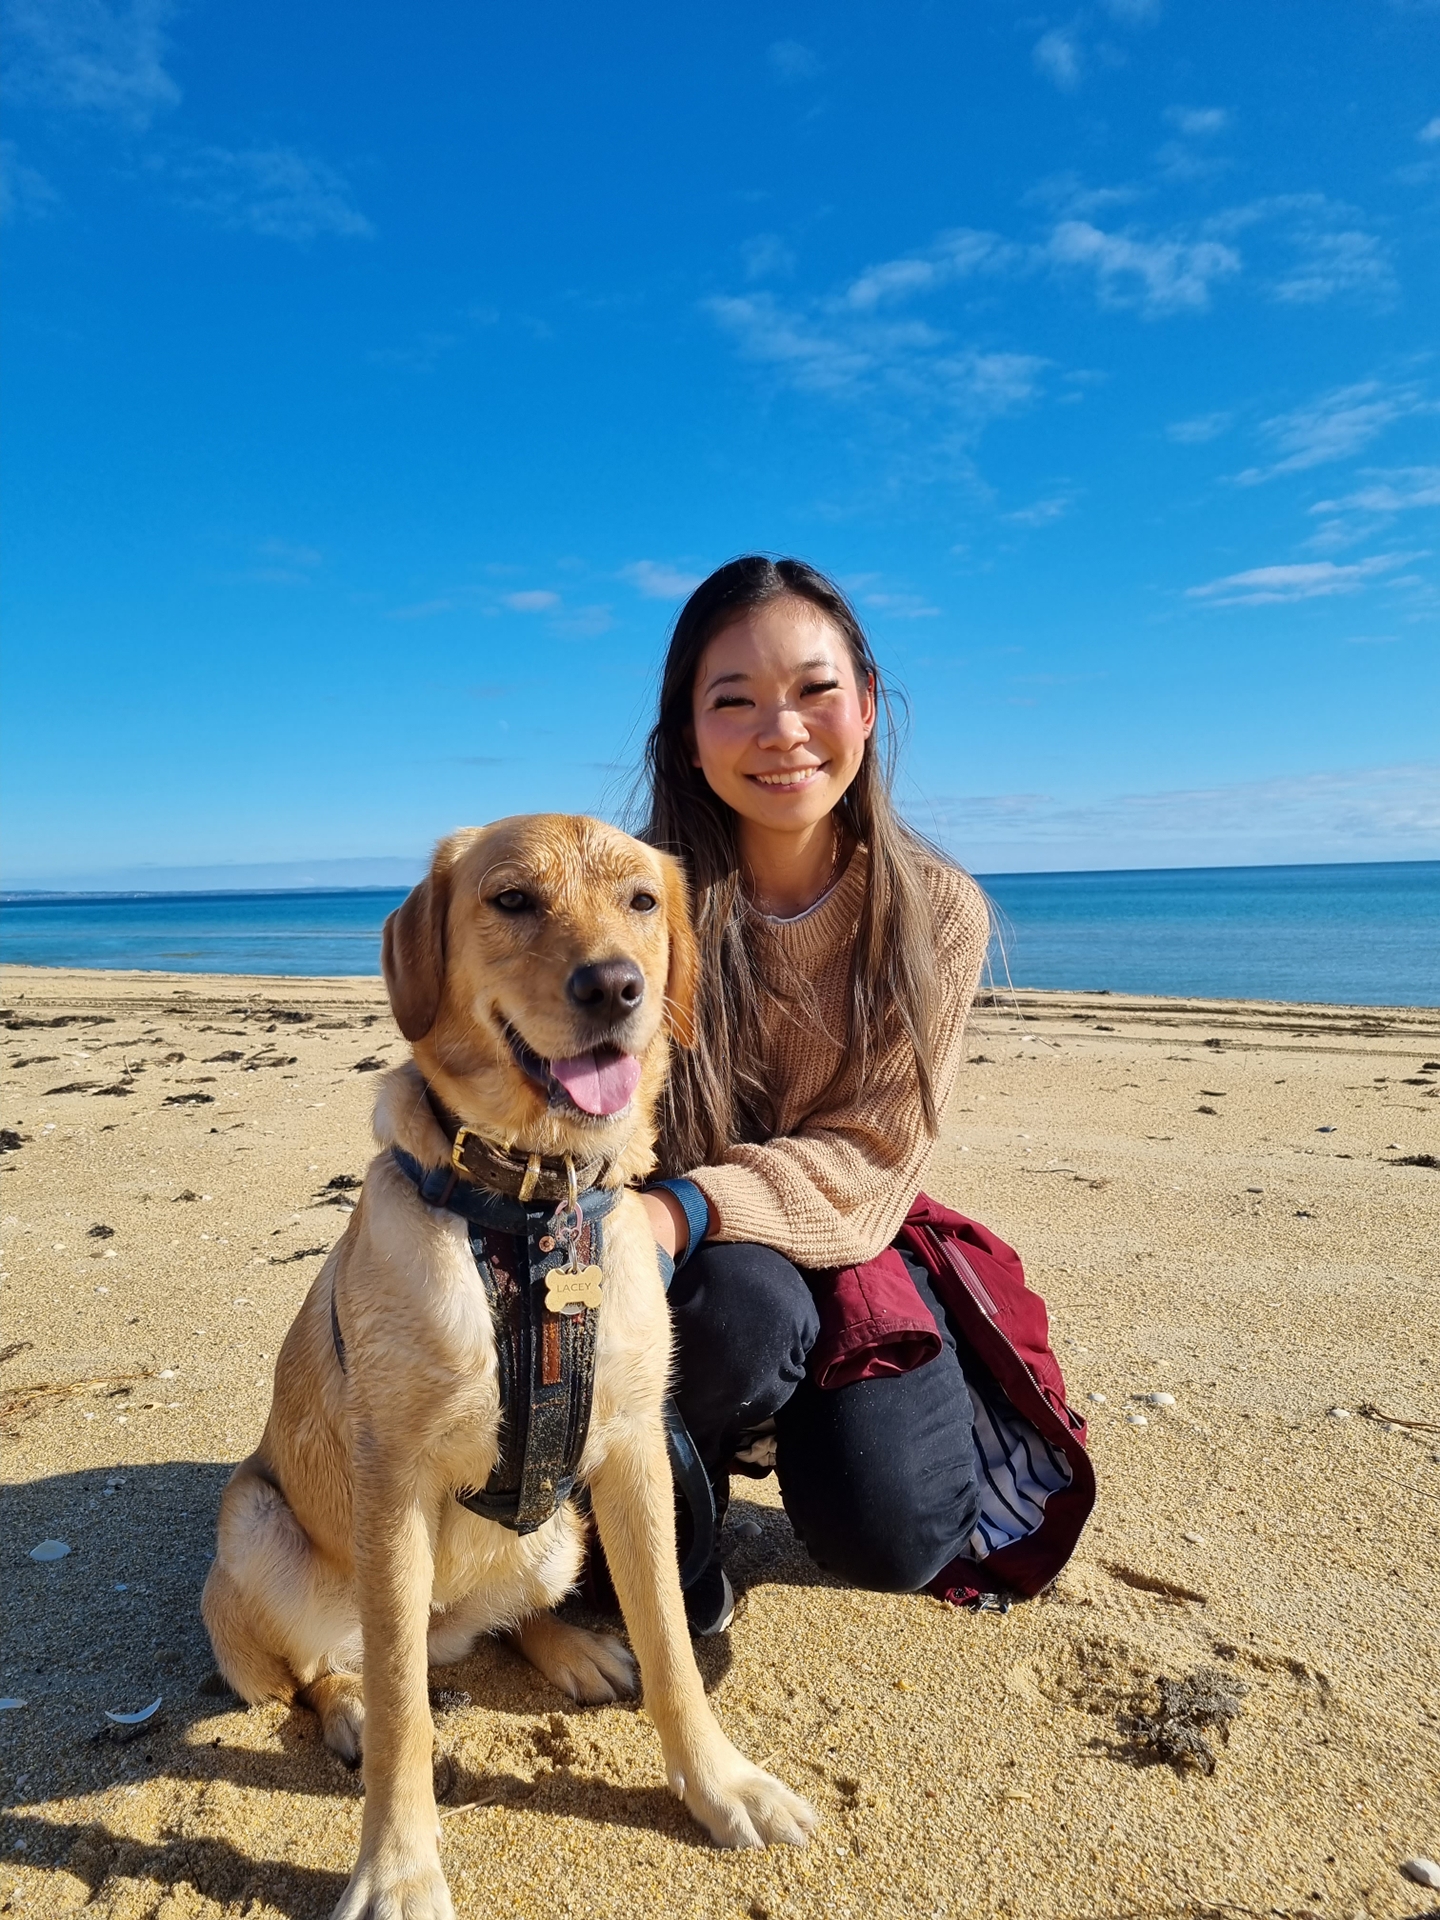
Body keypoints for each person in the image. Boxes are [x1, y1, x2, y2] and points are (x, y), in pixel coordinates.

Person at [635, 555, 993, 1634]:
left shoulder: (934, 909)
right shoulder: (633, 897)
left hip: (844, 1229)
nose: (781, 730)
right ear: (686, 736)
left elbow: (875, 1151)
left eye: (814, 689)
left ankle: (785, 1414)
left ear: (868, 706)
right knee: (743, 1315)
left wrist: (689, 1205)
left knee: (898, 1535)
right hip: (678, 1274)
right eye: (733, 701)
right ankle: (658, 1498)